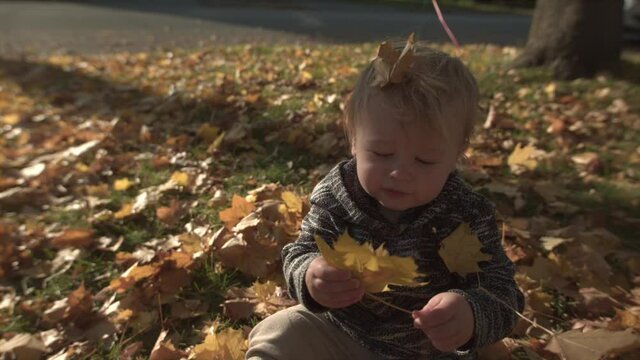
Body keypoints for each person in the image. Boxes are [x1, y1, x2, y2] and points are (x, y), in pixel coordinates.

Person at [245, 34, 524, 360]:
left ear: (457, 154)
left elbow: (504, 291)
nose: (400, 173)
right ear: (353, 138)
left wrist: (471, 314)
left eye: (425, 161)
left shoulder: (466, 213)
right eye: (381, 152)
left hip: (429, 350)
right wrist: (310, 275)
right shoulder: (337, 196)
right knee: (282, 331)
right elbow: (301, 251)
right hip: (344, 334)